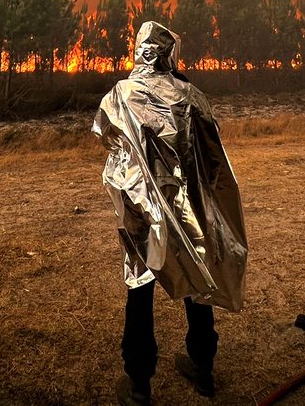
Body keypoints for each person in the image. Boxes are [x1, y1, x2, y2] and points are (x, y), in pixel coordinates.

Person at [93, 21, 248, 405]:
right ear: (168, 53)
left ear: (139, 51)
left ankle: (139, 384)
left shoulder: (121, 95)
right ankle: (203, 366)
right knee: (196, 276)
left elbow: (105, 139)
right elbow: (214, 161)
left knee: (140, 282)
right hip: (187, 206)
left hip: (141, 207)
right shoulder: (193, 96)